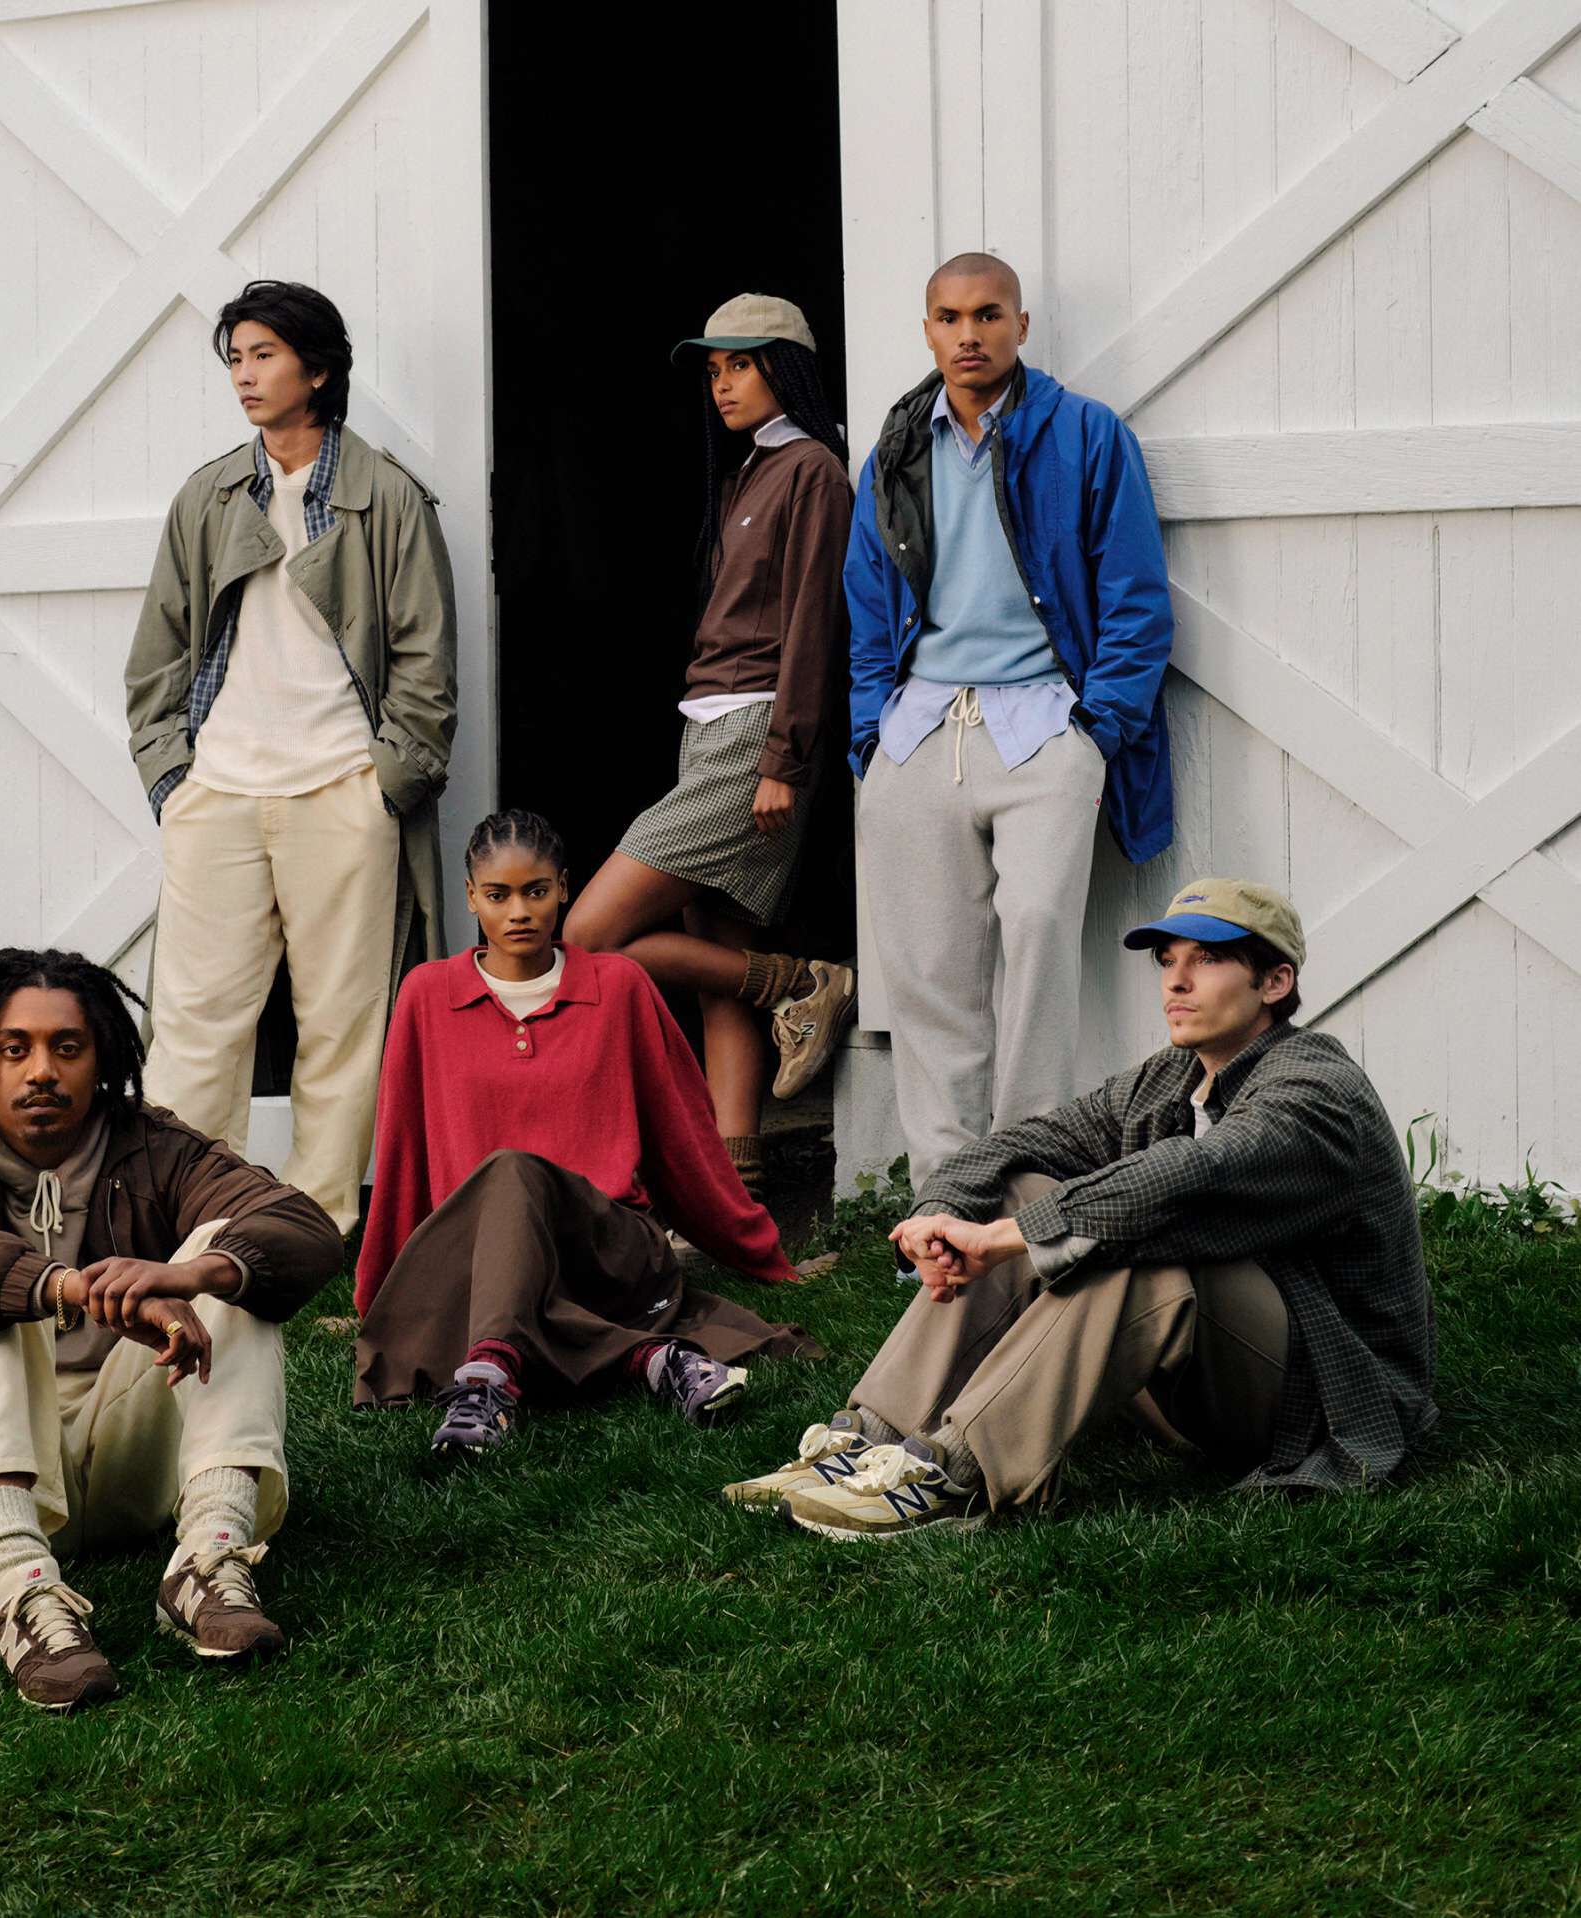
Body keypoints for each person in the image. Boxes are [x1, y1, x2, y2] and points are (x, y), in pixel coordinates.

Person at [724, 881, 1437, 1540]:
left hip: (1321, 1397)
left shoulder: (1316, 1086)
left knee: (1134, 1246)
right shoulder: (1171, 1077)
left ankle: (958, 1474)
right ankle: (869, 1438)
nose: (1177, 982)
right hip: (1200, 1382)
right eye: (1167, 961)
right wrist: (939, 1217)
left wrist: (1007, 1240)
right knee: (1025, 1184)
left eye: (1208, 961)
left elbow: (1189, 1173)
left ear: (1275, 983)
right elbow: (1019, 1145)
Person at [0, 949, 343, 1710]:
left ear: (100, 1061)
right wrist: (58, 1285)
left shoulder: (152, 1146)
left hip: (120, 1462)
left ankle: (209, 1560)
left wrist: (190, 1276)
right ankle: (20, 1595)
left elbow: (303, 1229)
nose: (42, 1071)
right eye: (16, 1049)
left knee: (233, 1262)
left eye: (66, 1048)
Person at [125, 279, 457, 1236]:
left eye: (264, 354)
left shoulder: (384, 496)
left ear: (318, 368)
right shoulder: (209, 494)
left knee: (342, 1027)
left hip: (341, 791)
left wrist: (386, 784)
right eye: (235, 357)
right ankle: (186, 1217)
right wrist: (172, 779)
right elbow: (157, 653)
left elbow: (427, 664)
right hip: (218, 792)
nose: (245, 374)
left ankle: (316, 1228)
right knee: (194, 1024)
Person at [847, 254, 1175, 1193]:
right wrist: (872, 736)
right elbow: (868, 607)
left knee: (1036, 945)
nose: (969, 335)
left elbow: (1136, 601)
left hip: (1043, 729)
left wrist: (1096, 728)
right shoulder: (898, 450)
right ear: (927, 332)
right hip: (918, 735)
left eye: (988, 315)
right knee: (927, 977)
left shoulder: (1086, 436)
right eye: (948, 317)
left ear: (1022, 326)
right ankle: (944, 1201)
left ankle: (1029, 1193)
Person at [355, 809, 821, 1455]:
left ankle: (486, 1378)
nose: (519, 911)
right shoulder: (428, 994)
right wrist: (379, 1293)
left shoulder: (618, 985)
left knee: (513, 1169)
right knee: (506, 1199)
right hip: (481, 1255)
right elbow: (403, 1150)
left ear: (565, 889)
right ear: (471, 897)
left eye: (536, 891)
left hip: (605, 1247)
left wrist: (762, 1255)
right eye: (498, 895)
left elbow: (682, 1140)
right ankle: (655, 1362)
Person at [564, 294, 856, 1209]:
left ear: (786, 366)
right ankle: (737, 1190)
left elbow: (816, 619)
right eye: (715, 369)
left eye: (741, 363)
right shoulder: (745, 475)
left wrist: (784, 757)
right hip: (711, 728)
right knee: (715, 959)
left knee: (587, 936)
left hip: (752, 733)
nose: (722, 382)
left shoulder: (812, 468)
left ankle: (805, 980)